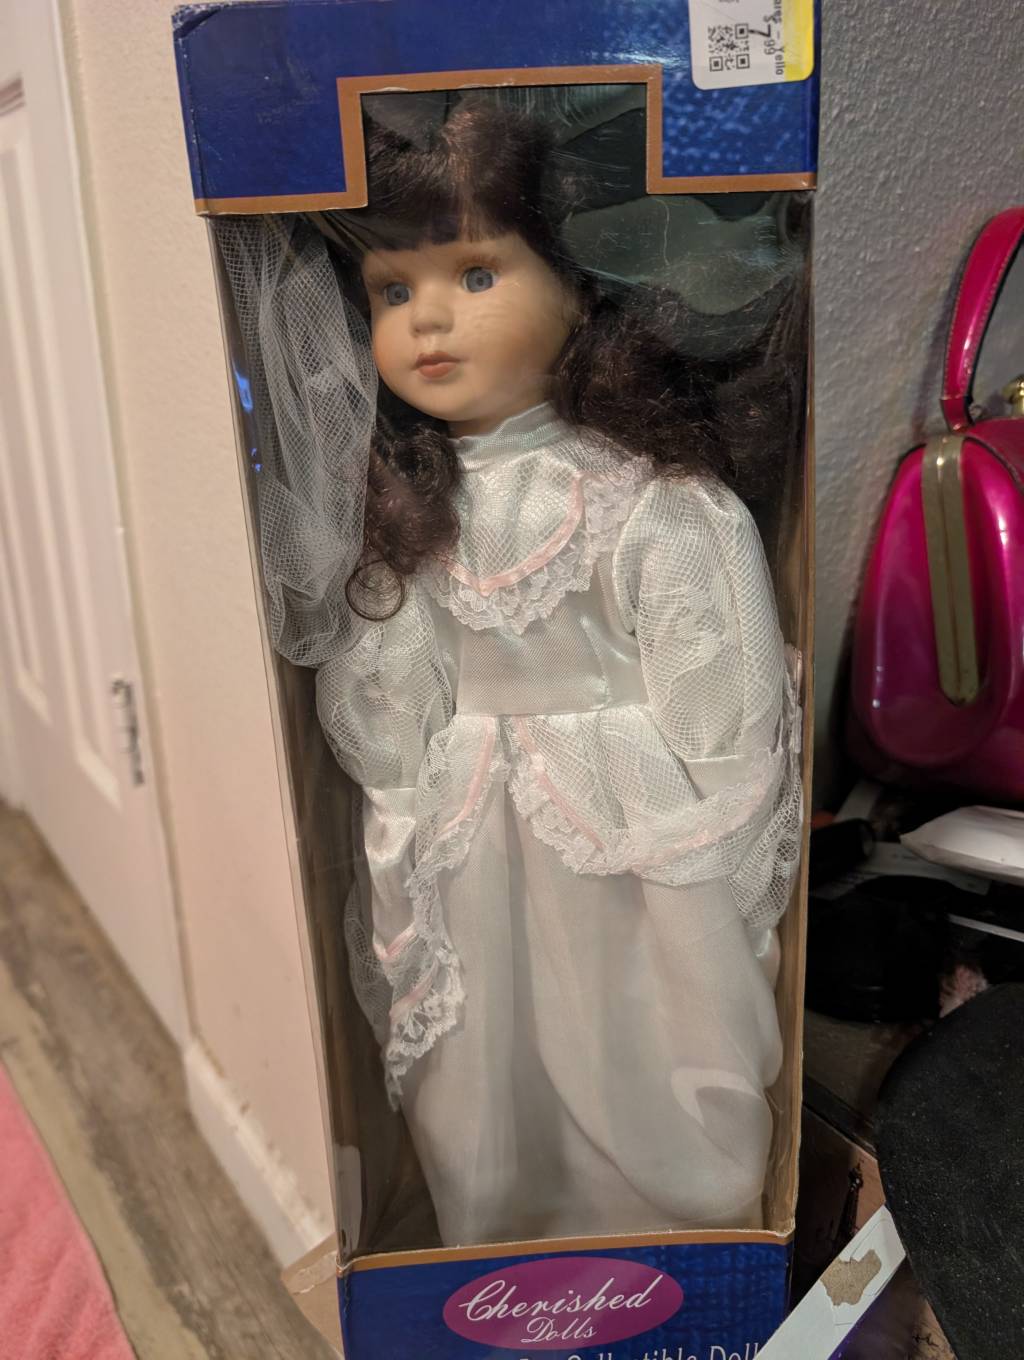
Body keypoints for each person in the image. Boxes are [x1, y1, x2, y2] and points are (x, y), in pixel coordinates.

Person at [224, 96, 804, 1247]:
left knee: (637, 1029)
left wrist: (716, 862)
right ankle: (503, 1244)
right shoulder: (409, 521)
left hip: (626, 841)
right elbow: (388, 714)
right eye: (391, 291)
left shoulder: (650, 500)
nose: (428, 319)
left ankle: (673, 1235)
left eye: (476, 274)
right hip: (472, 846)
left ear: (579, 286)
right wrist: (406, 824)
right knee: (482, 1062)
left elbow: (724, 711)